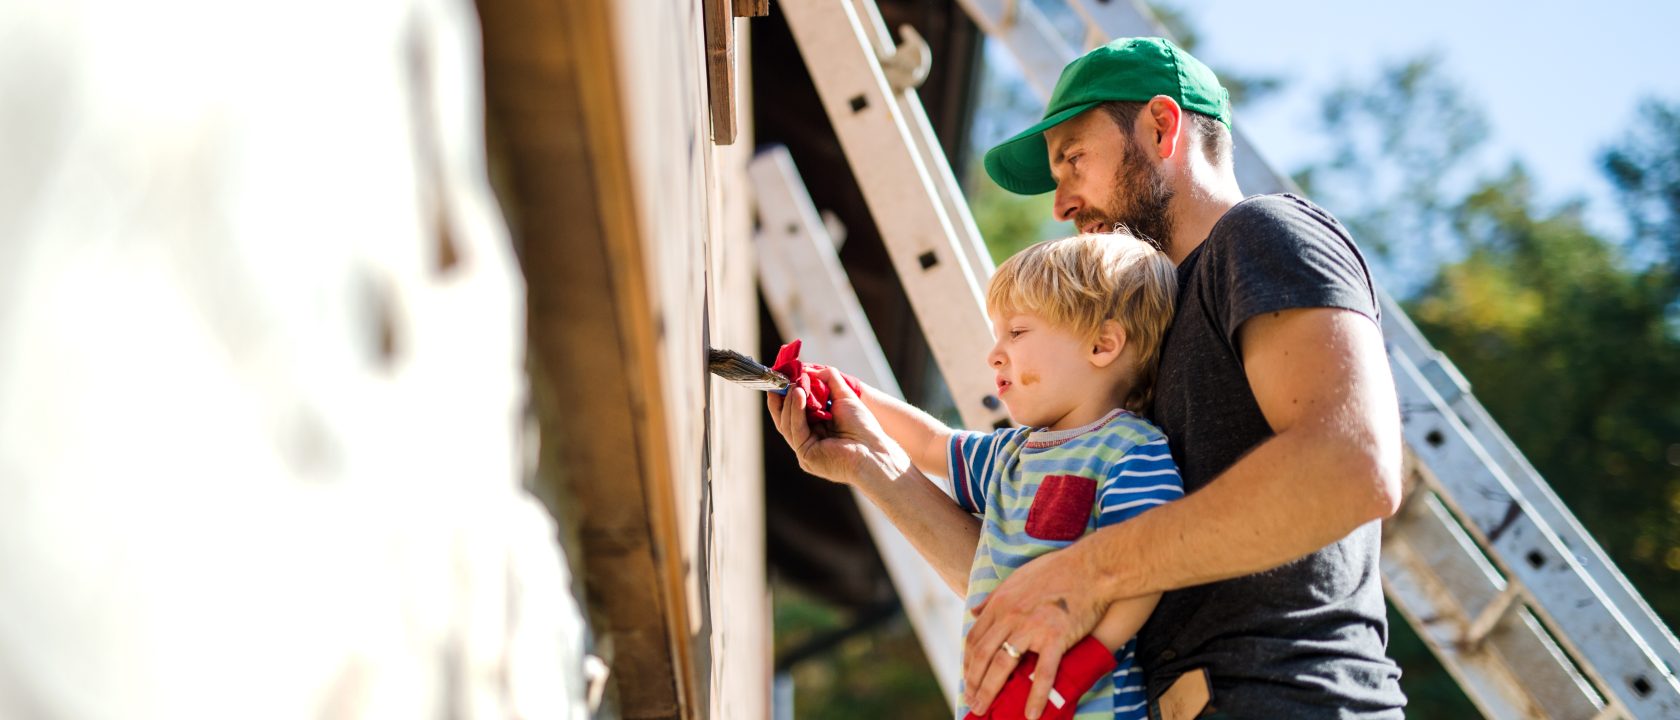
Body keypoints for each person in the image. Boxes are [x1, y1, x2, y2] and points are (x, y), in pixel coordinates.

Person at [769, 36, 1406, 719]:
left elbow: (1351, 465)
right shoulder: (1138, 343)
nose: (1061, 204)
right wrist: (870, 463)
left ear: (1162, 127)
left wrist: (1086, 570)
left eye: (1074, 159)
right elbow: (1025, 577)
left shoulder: (1263, 235)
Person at [769, 233, 1183, 720]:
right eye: (997, 334)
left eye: (1018, 332)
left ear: (1102, 344)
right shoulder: (1014, 454)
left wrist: (1076, 672)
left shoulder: (1131, 451)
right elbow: (930, 444)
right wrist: (849, 393)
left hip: (1084, 701)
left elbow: (1147, 569)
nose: (995, 354)